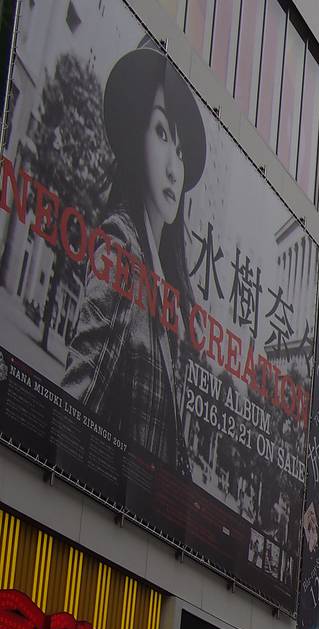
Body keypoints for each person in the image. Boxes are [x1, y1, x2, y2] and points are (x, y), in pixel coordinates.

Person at [60, 42, 206, 472]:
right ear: (135, 136)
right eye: (162, 133)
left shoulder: (171, 286)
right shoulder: (122, 249)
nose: (173, 169)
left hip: (142, 518)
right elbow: (80, 390)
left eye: (180, 152)